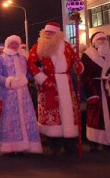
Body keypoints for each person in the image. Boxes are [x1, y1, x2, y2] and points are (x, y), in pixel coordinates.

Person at [27, 22, 84, 155]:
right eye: (46, 33)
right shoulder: (38, 47)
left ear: (58, 34)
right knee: (52, 114)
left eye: (51, 33)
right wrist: (43, 80)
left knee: (69, 114)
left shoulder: (67, 47)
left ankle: (70, 143)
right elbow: (31, 64)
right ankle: (54, 144)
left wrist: (78, 66)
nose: (48, 35)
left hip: (66, 83)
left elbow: (76, 60)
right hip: (48, 85)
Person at [0, 35, 42, 154]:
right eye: (12, 43)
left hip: (23, 94)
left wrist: (27, 78)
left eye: (16, 43)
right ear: (7, 45)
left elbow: (27, 74)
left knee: (24, 118)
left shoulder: (23, 58)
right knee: (8, 118)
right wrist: (9, 81)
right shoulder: (1, 58)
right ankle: (9, 146)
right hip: (7, 93)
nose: (14, 46)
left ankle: (23, 145)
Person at [81, 32, 110, 152]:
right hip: (95, 88)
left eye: (104, 39)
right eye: (99, 39)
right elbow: (85, 75)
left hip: (109, 88)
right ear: (94, 41)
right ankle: (94, 142)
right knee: (95, 116)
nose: (102, 41)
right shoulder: (87, 55)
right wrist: (91, 91)